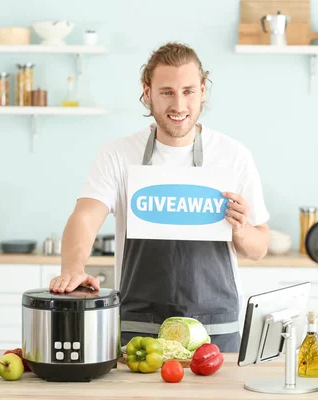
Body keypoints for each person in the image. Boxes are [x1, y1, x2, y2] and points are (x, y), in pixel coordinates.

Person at [49, 42, 270, 352]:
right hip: (139, 326)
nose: (179, 105)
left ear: (203, 90)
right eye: (167, 92)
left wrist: (241, 229)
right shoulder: (118, 154)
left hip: (216, 329)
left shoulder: (234, 156)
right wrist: (73, 268)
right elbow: (86, 215)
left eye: (188, 91)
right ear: (147, 92)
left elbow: (259, 247)